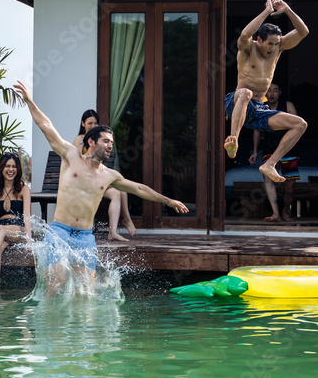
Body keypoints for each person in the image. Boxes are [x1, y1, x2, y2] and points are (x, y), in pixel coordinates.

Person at [14, 81, 188, 295]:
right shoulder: (70, 156)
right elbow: (46, 126)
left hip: (85, 237)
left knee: (85, 294)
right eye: (106, 141)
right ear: (91, 142)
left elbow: (140, 189)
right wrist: (29, 101)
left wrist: (168, 201)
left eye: (112, 143)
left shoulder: (109, 175)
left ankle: (84, 329)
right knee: (55, 286)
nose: (110, 146)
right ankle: (51, 328)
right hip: (59, 231)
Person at [224, 0, 309, 184]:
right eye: (270, 43)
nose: (273, 48)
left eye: (276, 44)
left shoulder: (278, 48)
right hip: (236, 103)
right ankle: (233, 142)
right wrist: (266, 11)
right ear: (260, 40)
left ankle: (270, 164)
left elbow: (303, 32)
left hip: (259, 109)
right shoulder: (247, 48)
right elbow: (245, 34)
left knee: (300, 124)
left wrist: (287, 10)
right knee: (245, 93)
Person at [73, 109, 137, 242]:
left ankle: (114, 230)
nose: (93, 126)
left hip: (98, 179)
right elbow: (77, 161)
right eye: (90, 123)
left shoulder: (100, 141)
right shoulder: (80, 139)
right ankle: (126, 220)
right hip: (84, 181)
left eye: (96, 123)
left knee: (120, 191)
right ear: (83, 123)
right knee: (120, 190)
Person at [250, 83, 299, 222]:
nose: (271, 94)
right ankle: (276, 213)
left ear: (280, 92)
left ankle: (284, 212)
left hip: (289, 151)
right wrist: (254, 151)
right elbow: (257, 130)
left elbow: (298, 126)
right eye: (268, 91)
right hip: (269, 151)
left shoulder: (288, 106)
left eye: (275, 90)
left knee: (290, 188)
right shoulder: (261, 108)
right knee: (267, 178)